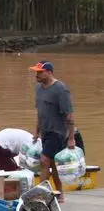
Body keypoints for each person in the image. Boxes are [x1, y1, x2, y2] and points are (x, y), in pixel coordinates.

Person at [31, 61, 76, 202]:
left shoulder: (61, 90)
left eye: (40, 72)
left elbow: (69, 115)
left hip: (57, 132)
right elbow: (40, 112)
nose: (36, 75)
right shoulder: (39, 89)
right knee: (52, 164)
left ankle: (39, 195)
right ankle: (59, 193)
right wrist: (36, 131)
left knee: (44, 160)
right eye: (36, 72)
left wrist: (71, 138)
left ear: (49, 72)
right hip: (45, 131)